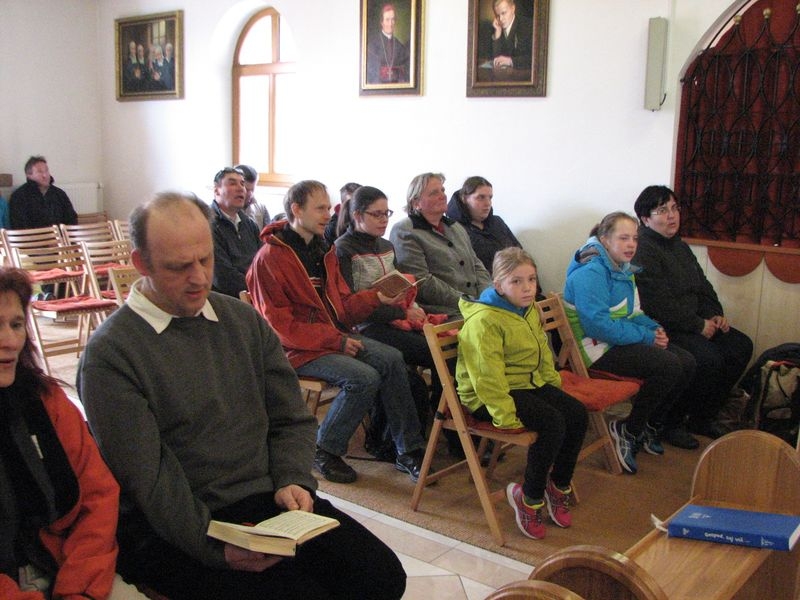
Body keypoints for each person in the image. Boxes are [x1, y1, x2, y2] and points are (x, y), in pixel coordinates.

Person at [77, 192, 406, 600]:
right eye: (179, 266)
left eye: (205, 259)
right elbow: (150, 482)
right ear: (140, 264)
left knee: (381, 577)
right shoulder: (112, 354)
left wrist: (293, 478)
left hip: (268, 499)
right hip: (182, 522)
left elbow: (291, 418)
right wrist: (214, 547)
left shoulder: (241, 320)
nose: (199, 277)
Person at [247, 180, 427, 485]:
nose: (328, 215)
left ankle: (407, 449)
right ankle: (323, 449)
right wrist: (337, 340)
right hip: (295, 350)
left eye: (328, 208)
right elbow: (281, 329)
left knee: (392, 358)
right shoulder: (269, 258)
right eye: (320, 208)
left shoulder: (323, 251)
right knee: (363, 377)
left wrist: (376, 298)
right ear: (296, 210)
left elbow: (341, 308)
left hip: (330, 338)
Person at [0, 267, 146, 600]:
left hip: (69, 568)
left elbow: (98, 496)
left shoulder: (46, 400)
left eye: (16, 325)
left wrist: (78, 588)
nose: (9, 341)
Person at [457, 248, 588, 539]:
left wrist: (551, 384)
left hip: (526, 384)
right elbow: (487, 378)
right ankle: (529, 498)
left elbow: (542, 352)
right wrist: (504, 417)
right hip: (488, 398)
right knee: (553, 422)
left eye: (531, 279)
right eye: (516, 281)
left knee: (577, 414)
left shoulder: (528, 310)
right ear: (498, 285)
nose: (527, 287)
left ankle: (559, 485)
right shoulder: (484, 321)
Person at [563, 212, 697, 475]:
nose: (631, 245)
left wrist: (654, 329)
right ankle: (629, 430)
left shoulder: (624, 268)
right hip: (595, 350)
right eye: (623, 238)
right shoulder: (590, 272)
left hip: (617, 341)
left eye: (634, 238)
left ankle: (648, 424)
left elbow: (633, 312)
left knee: (687, 361)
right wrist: (646, 337)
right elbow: (597, 326)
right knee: (668, 365)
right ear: (605, 239)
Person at [632, 185, 753, 438]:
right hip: (665, 327)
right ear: (645, 219)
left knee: (740, 346)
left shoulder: (679, 246)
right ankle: (670, 422)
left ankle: (703, 416)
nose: (672, 215)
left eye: (674, 208)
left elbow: (702, 286)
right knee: (708, 359)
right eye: (662, 210)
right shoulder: (642, 249)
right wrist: (698, 325)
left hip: (695, 321)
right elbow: (656, 303)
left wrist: (714, 314)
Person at [334, 185, 442, 457]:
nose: (384, 220)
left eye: (387, 213)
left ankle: (448, 429)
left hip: (394, 320)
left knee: (447, 349)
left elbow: (399, 287)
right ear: (357, 215)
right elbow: (351, 308)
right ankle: (430, 432)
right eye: (377, 214)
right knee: (434, 354)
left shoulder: (386, 246)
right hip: (367, 327)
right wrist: (401, 313)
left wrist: (412, 307)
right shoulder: (343, 249)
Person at [390, 172, 492, 316]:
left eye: (443, 190)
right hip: (443, 312)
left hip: (477, 305)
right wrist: (468, 302)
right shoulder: (404, 231)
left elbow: (476, 264)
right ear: (416, 203)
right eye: (434, 193)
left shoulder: (456, 227)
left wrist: (487, 296)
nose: (443, 196)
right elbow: (422, 282)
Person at [445, 176, 523, 273]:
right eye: (481, 197)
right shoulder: (454, 229)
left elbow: (520, 253)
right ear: (464, 198)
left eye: (490, 197)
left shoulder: (497, 222)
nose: (488, 203)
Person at [209, 166, 262, 298]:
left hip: (255, 294)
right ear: (216, 191)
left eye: (242, 184)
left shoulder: (250, 225)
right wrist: (259, 287)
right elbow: (222, 276)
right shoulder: (208, 225)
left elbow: (262, 262)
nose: (240, 188)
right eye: (232, 183)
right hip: (225, 298)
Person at [9, 156, 78, 230]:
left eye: (46, 171)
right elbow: (19, 226)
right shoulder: (19, 196)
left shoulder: (59, 194)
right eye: (40, 172)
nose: (45, 175)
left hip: (59, 236)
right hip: (32, 236)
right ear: (29, 175)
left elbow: (72, 219)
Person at [366, 3, 410, 84]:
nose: (390, 24)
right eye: (387, 20)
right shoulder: (372, 46)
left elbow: (405, 74)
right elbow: (371, 73)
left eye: (392, 19)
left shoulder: (400, 46)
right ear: (382, 22)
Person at [491, 0, 533, 71]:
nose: (501, 19)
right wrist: (497, 34)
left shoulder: (528, 26)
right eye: (498, 15)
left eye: (503, 13)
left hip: (522, 74)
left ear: (513, 9)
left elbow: (534, 58)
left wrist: (511, 61)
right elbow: (496, 60)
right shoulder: (496, 27)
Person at [235, 164, 270, 229]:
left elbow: (267, 233)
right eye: (246, 189)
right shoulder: (227, 209)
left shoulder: (262, 209)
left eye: (252, 190)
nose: (250, 194)